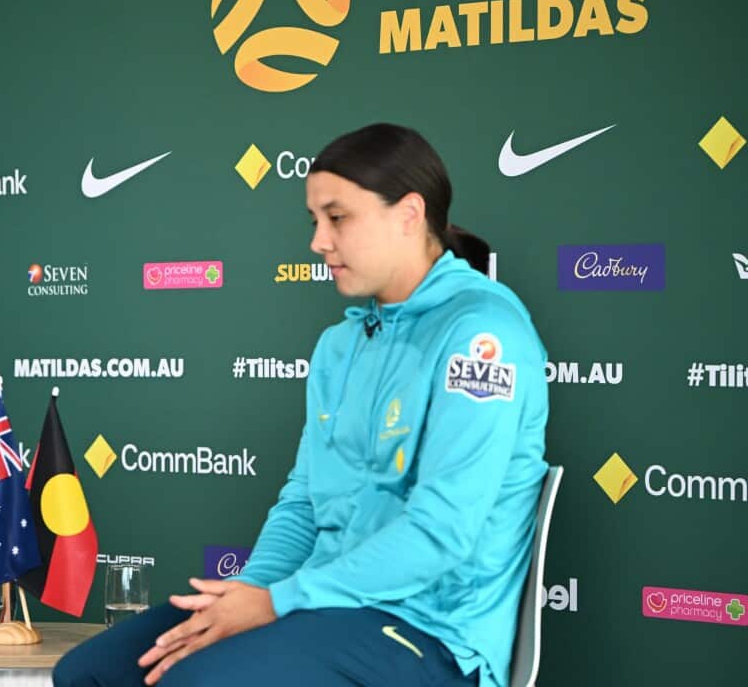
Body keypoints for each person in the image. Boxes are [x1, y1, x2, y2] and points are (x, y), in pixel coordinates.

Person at [54, 124, 549, 687]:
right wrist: (247, 596)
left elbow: (441, 533)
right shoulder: (341, 344)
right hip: (322, 609)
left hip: (432, 635)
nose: (319, 241)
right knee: (92, 674)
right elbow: (303, 504)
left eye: (338, 218)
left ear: (409, 215)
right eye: (314, 220)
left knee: (195, 681)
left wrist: (275, 603)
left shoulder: (482, 335)